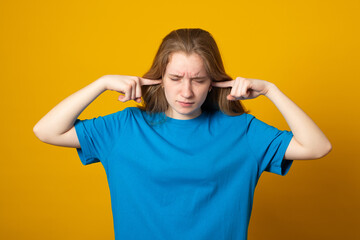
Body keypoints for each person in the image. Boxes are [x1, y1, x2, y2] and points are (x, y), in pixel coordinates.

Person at [33, 28, 332, 240]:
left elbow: (317, 146)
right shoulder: (125, 127)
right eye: (175, 78)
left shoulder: (241, 131)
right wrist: (100, 83)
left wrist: (271, 90)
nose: (186, 92)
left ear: (214, 82)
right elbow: (45, 130)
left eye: (198, 80)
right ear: (159, 78)